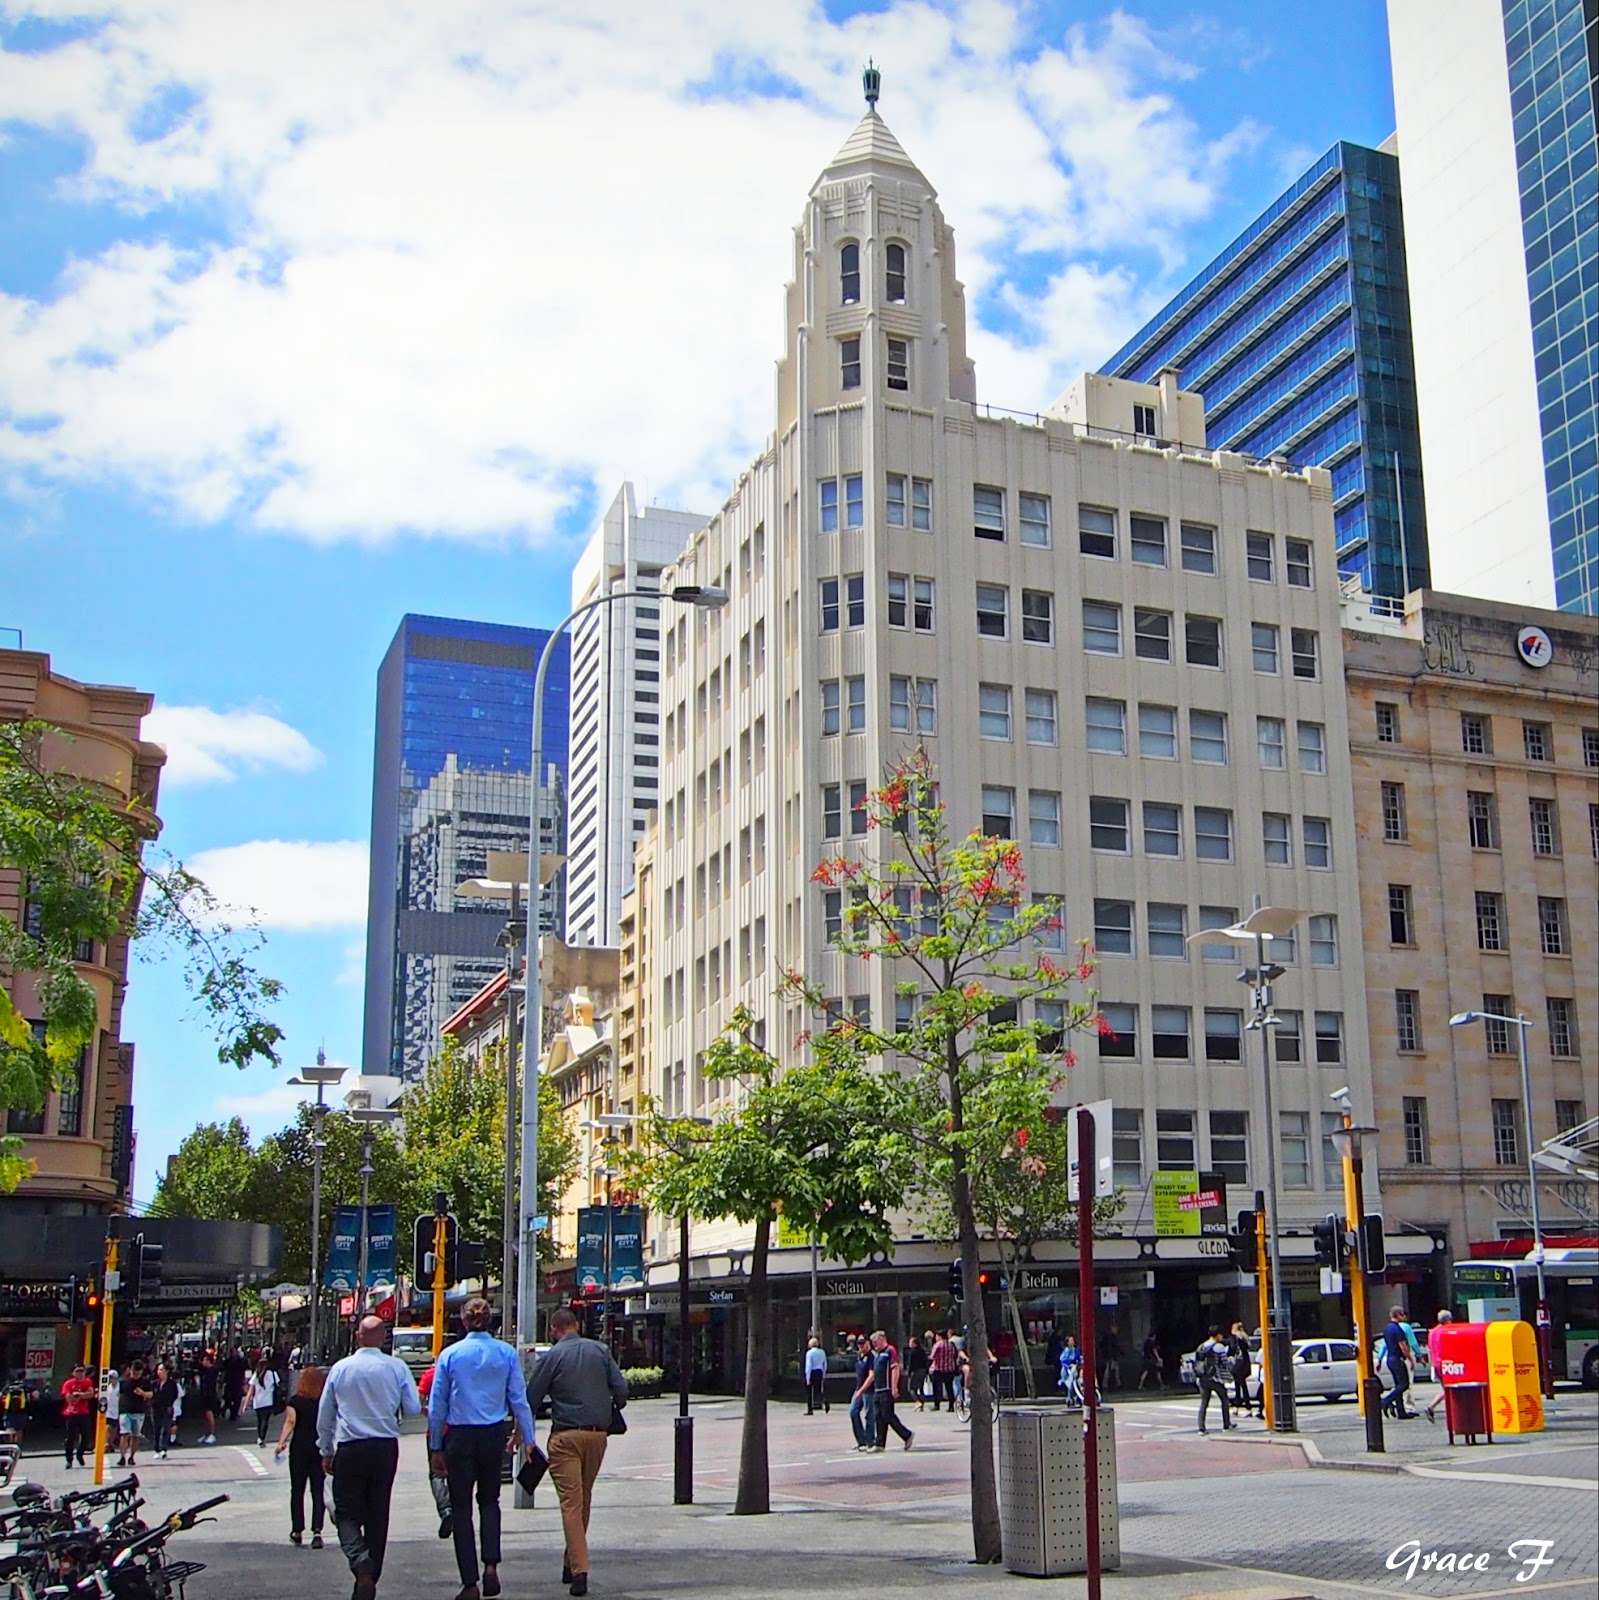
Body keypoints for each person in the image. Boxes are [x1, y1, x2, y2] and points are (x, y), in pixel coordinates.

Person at [429, 1296, 539, 1600]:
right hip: (494, 1433)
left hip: (460, 1436)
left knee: (461, 1508)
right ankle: (491, 1564)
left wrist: (436, 1445)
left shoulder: (450, 1355)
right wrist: (528, 1438)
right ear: (490, 1320)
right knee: (490, 1501)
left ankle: (470, 1582)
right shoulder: (505, 1354)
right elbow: (519, 1398)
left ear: (463, 1321)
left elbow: (439, 1405)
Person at [525, 1305, 629, 1599]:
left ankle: (580, 1570)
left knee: (571, 1503)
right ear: (577, 1326)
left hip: (566, 1436)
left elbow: (532, 1397)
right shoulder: (600, 1350)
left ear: (554, 1330)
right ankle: (570, 1562)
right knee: (583, 1499)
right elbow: (621, 1390)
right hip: (597, 1436)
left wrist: (523, 1433)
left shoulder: (554, 1356)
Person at [317, 1314, 422, 1600]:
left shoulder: (341, 1369)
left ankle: (359, 1558)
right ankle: (370, 1574)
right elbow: (413, 1408)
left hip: (351, 1447)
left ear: (358, 1336)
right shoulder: (397, 1367)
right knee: (378, 1512)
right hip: (385, 1447)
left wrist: (325, 1449)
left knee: (346, 1511)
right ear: (384, 1338)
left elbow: (325, 1415)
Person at [276, 1364, 327, 1548]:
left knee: (297, 1490)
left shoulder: (295, 1401)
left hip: (299, 1448)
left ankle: (297, 1530)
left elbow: (290, 1421)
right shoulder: (323, 1401)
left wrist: (281, 1442)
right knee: (317, 1490)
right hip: (318, 1447)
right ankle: (317, 1532)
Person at [870, 1330, 914, 1451]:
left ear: (881, 1339)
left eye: (875, 1342)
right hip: (878, 1389)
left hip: (886, 1389)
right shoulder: (878, 1354)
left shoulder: (890, 1351)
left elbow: (895, 1368)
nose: (874, 1345)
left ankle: (906, 1434)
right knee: (878, 1417)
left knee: (888, 1415)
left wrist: (894, 1386)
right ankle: (880, 1443)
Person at [1194, 1327, 1234, 1434]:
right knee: (1224, 1400)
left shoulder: (1201, 1346)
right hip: (1215, 1378)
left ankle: (1201, 1428)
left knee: (1204, 1403)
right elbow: (1225, 1362)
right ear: (1217, 1335)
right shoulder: (1219, 1347)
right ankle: (1226, 1425)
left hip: (1202, 1378)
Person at [1381, 1305, 1417, 1419]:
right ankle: (1386, 1400)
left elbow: (1385, 1344)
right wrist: (1410, 1359)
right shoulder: (1397, 1329)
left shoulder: (1387, 1328)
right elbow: (1403, 1346)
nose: (1405, 1316)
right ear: (1398, 1315)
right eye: (1403, 1314)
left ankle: (1401, 1411)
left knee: (1398, 1385)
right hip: (1397, 1359)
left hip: (1390, 1358)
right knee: (1404, 1384)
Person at [118, 1360, 152, 1466]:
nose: (135, 1375)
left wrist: (142, 1393)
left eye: (137, 1373)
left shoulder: (145, 1382)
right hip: (125, 1411)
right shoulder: (123, 1382)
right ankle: (122, 1456)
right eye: (133, 1372)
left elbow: (151, 1394)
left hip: (139, 1411)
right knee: (124, 1434)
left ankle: (132, 1456)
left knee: (135, 1435)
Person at [60, 1365, 95, 1469]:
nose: (80, 1374)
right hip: (71, 1413)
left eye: (82, 1371)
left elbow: (90, 1394)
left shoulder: (87, 1382)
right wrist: (77, 1396)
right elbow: (68, 1397)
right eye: (78, 1371)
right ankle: (69, 1459)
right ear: (73, 1373)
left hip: (83, 1412)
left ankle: (80, 1453)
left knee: (86, 1435)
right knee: (70, 1437)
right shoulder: (68, 1383)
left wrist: (80, 1395)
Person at [1423, 1310, 1455, 1423]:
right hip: (1447, 1363)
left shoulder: (1432, 1332)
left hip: (1436, 1364)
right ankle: (1433, 1407)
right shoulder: (1447, 1331)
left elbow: (1430, 1348)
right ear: (1447, 1320)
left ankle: (1434, 1408)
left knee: (1446, 1389)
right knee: (1450, 1389)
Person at [847, 1336, 876, 1449]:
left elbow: (871, 1376)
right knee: (853, 1412)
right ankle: (861, 1440)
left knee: (869, 1416)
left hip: (868, 1390)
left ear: (868, 1344)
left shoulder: (870, 1357)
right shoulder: (859, 1357)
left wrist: (862, 1390)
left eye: (863, 1344)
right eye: (859, 1344)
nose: (860, 1346)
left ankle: (870, 1440)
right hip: (859, 1389)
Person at [245, 1358, 279, 1446]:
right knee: (265, 1420)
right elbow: (277, 1385)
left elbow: (251, 1390)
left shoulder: (256, 1375)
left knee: (259, 1420)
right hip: (269, 1401)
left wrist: (246, 1403)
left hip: (258, 1401)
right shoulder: (273, 1374)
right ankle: (262, 1437)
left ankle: (260, 1436)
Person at [150, 1363, 179, 1460]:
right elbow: (152, 1395)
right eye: (158, 1370)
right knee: (156, 1429)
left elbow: (174, 1395)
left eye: (161, 1369)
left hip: (167, 1408)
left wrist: (169, 1404)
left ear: (166, 1371)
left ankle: (163, 1449)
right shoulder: (154, 1383)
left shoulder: (172, 1384)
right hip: (156, 1408)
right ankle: (156, 1449)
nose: (159, 1372)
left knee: (165, 1428)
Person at [1227, 1321, 1253, 1417]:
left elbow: (1232, 1350)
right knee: (1242, 1385)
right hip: (1246, 1363)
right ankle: (1239, 1407)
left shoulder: (1234, 1338)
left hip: (1238, 1364)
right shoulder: (1245, 1337)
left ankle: (1245, 1408)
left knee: (1239, 1386)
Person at [927, 1330, 958, 1411]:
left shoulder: (937, 1345)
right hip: (950, 1369)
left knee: (936, 1387)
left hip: (938, 1369)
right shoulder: (951, 1344)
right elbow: (955, 1355)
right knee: (949, 1388)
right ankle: (951, 1406)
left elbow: (932, 1357)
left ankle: (937, 1405)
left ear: (940, 1336)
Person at [193, 1353, 219, 1444]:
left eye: (204, 1360)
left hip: (209, 1395)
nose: (202, 1362)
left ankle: (212, 1434)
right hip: (204, 1394)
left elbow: (209, 1384)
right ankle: (206, 1433)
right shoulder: (205, 1371)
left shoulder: (212, 1371)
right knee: (205, 1416)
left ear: (208, 1360)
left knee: (209, 1414)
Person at [802, 1337, 829, 1415]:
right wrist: (824, 1373)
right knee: (819, 1390)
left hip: (812, 1372)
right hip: (819, 1371)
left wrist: (808, 1377)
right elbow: (825, 1363)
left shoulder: (809, 1353)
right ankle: (825, 1402)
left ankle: (810, 1409)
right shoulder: (822, 1352)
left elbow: (809, 1365)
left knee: (809, 1392)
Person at [903, 1335, 930, 1411]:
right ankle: (922, 1403)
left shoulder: (912, 1352)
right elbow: (926, 1361)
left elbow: (910, 1363)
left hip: (915, 1371)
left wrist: (908, 1373)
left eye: (910, 1342)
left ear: (914, 1343)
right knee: (921, 1388)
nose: (909, 1344)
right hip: (923, 1371)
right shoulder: (923, 1351)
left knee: (911, 1388)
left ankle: (918, 1401)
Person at [223, 1345, 247, 1422]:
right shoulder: (228, 1361)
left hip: (237, 1382)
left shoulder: (240, 1361)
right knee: (228, 1398)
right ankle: (230, 1409)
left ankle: (234, 1413)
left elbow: (245, 1367)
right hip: (229, 1382)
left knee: (237, 1399)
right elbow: (224, 1368)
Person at [1057, 1334, 1083, 1403]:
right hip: (1067, 1370)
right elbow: (1062, 1360)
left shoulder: (1076, 1350)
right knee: (1070, 1382)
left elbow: (1079, 1359)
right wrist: (1069, 1366)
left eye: (1072, 1340)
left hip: (1076, 1368)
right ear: (1067, 1342)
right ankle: (1070, 1397)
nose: (1072, 1342)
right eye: (1070, 1341)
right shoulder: (1066, 1351)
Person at [1099, 1324, 1123, 1391]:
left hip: (1110, 1356)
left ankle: (1115, 1383)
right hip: (1111, 1356)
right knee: (1110, 1369)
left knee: (1114, 1369)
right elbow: (1115, 1347)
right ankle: (1109, 1384)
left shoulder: (1108, 1337)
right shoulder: (1112, 1338)